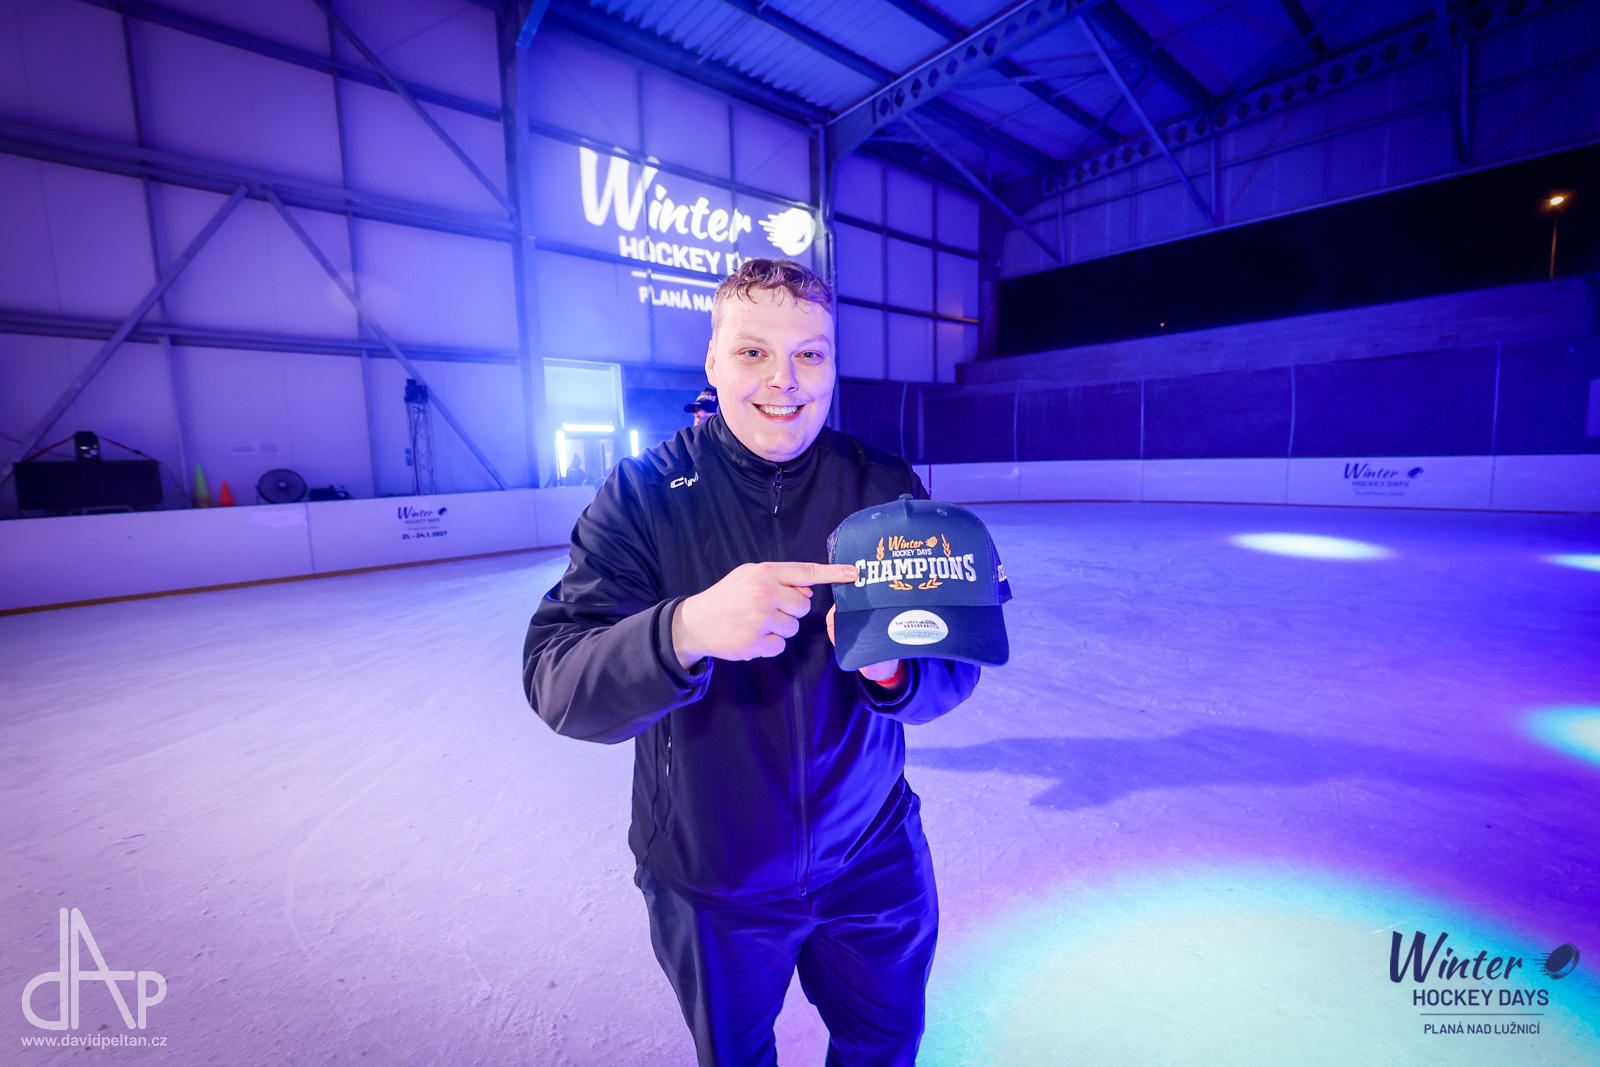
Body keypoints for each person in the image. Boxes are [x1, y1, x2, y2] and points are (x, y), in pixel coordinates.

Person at [522, 258, 980, 1066]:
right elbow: (560, 681)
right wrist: (685, 628)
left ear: (833, 363)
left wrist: (892, 670)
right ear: (713, 361)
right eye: (753, 352)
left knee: (885, 1046)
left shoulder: (885, 488)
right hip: (713, 884)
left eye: (810, 354)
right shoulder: (642, 496)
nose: (784, 380)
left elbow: (954, 663)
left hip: (872, 860)